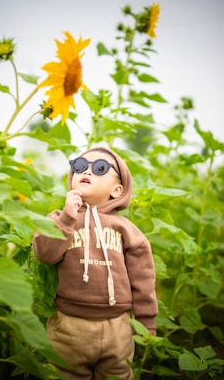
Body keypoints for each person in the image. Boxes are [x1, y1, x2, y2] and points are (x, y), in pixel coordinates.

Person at [33, 146, 158, 380]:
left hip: (117, 326)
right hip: (70, 326)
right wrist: (68, 217)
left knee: (118, 374)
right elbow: (45, 254)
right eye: (79, 166)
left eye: (99, 168)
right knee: (64, 374)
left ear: (117, 190)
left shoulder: (127, 230)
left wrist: (145, 321)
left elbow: (143, 278)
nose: (87, 171)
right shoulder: (58, 220)